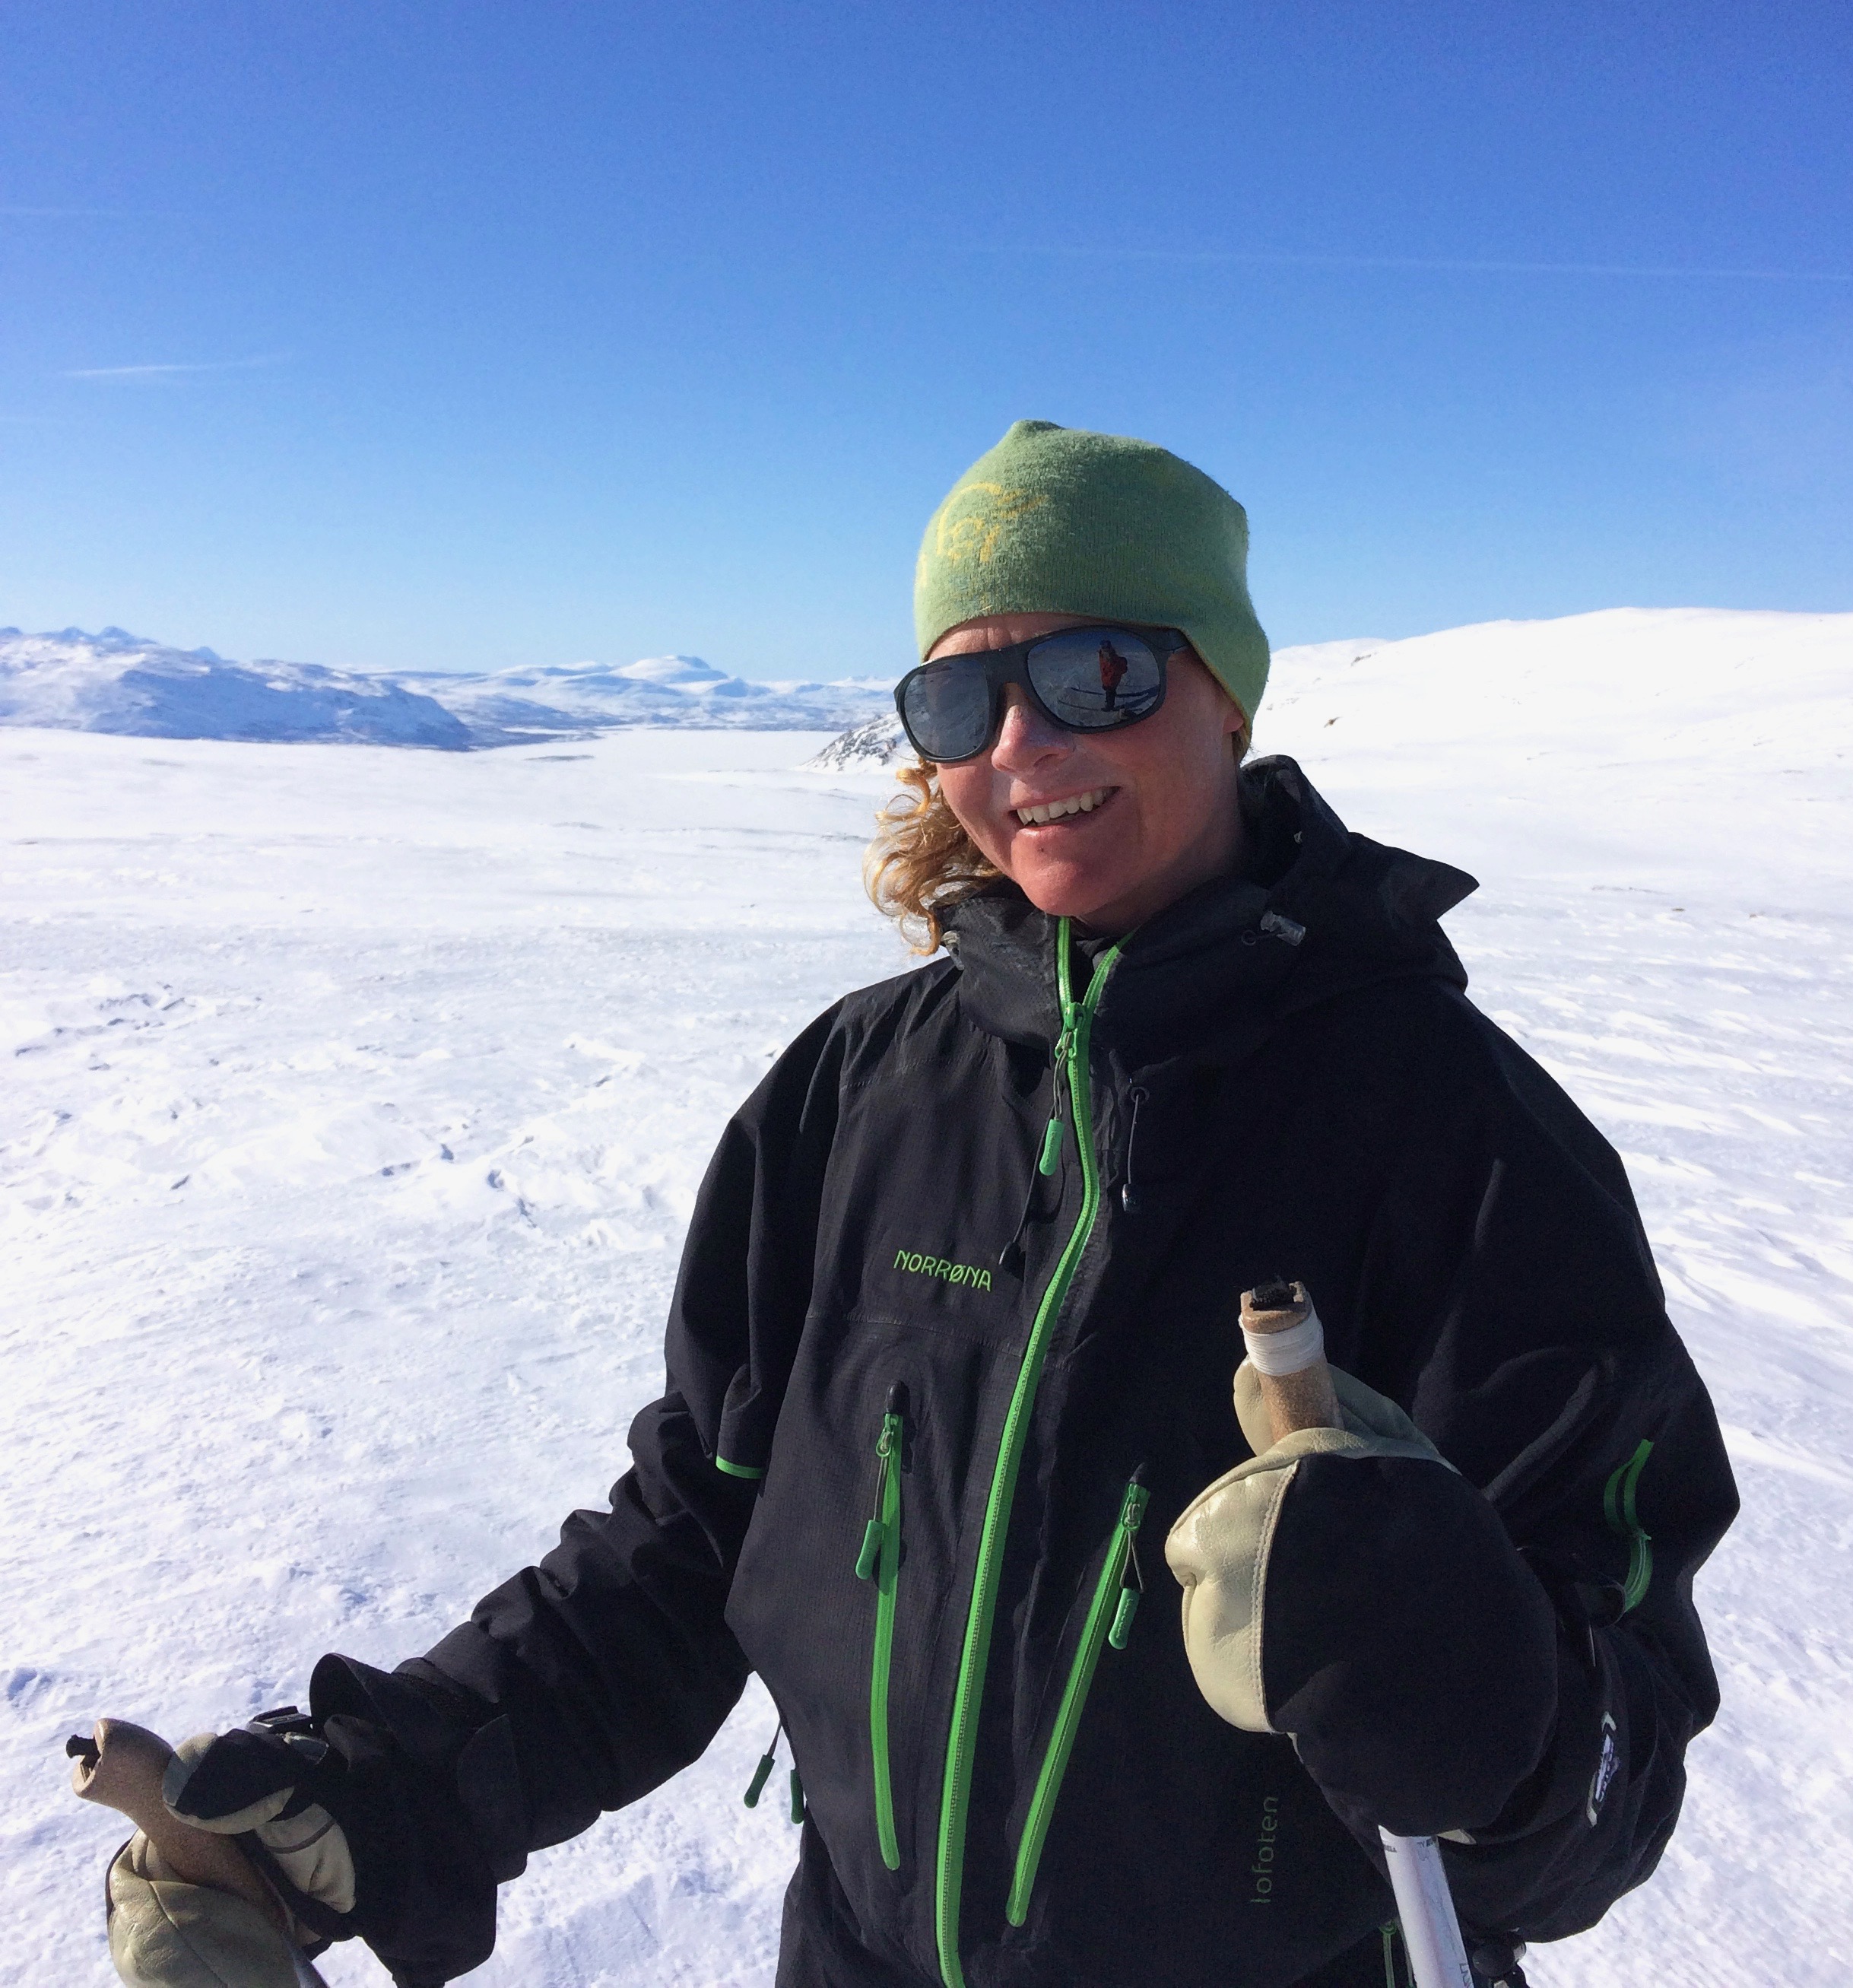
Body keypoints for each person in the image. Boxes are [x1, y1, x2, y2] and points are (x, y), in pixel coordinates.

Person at [134, 421, 1737, 1988]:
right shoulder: (854, 1094)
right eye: (961, 695)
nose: (1021, 747)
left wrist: (1492, 1710)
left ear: (1226, 693)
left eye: (1097, 675)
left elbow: (1616, 1771)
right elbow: (703, 1533)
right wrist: (396, 1794)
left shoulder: (1458, 1132)